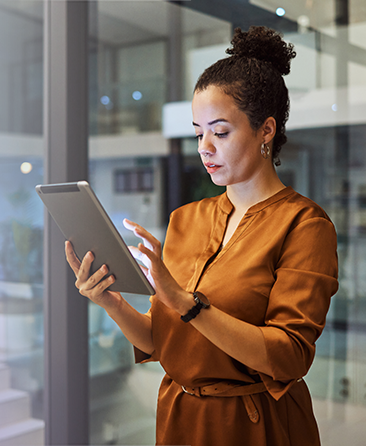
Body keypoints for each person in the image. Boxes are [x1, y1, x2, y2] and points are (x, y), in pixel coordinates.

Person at [66, 26, 338, 446]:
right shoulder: (185, 220)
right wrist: (111, 302)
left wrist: (186, 304)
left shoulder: (304, 225)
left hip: (254, 425)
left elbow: (290, 355)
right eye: (198, 133)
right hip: (179, 418)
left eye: (221, 132)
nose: (205, 147)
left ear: (266, 130)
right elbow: (160, 341)